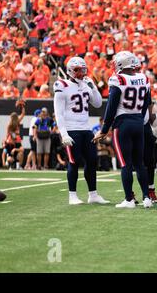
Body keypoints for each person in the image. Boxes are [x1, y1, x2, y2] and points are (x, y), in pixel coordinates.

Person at [92, 51, 152, 209]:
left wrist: (104, 129)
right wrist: (139, 116)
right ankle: (147, 197)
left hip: (123, 124)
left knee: (126, 164)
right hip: (138, 122)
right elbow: (147, 103)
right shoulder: (144, 78)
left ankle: (129, 199)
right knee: (139, 164)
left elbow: (111, 108)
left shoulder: (118, 79)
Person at [53, 56, 109, 205]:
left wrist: (93, 87)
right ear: (70, 70)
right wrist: (63, 133)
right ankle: (72, 195)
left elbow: (97, 103)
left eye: (83, 69)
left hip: (85, 129)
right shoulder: (62, 84)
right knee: (73, 162)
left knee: (92, 161)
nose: (81, 73)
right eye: (77, 70)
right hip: (71, 129)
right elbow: (59, 112)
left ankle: (93, 195)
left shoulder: (85, 85)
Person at [4, 99, 26, 169]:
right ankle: (13, 164)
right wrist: (22, 106)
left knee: (17, 153)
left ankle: (13, 164)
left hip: (12, 141)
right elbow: (23, 114)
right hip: (14, 140)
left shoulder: (11, 124)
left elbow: (7, 135)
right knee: (18, 153)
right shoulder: (14, 123)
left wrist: (6, 141)